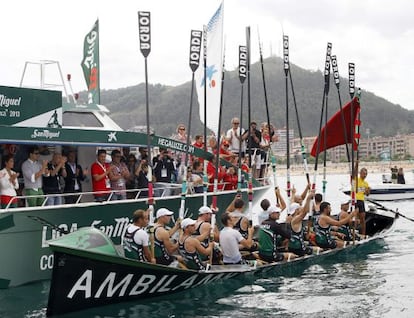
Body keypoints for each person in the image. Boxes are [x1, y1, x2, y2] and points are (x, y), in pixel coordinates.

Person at [288, 191, 315, 256]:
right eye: (300, 208)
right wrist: (308, 198)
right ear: (296, 210)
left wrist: (293, 193)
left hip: (292, 245)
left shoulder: (290, 217)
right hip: (298, 248)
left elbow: (292, 202)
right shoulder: (296, 219)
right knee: (319, 249)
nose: (301, 209)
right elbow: (304, 212)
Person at [355, 167, 370, 237]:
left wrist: (368, 191)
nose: (365, 175)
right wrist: (356, 164)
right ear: (360, 173)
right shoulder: (356, 180)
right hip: (355, 200)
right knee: (356, 219)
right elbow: (354, 172)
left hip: (361, 201)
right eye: (364, 174)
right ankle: (354, 233)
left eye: (366, 174)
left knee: (363, 219)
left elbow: (367, 194)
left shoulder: (366, 183)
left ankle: (363, 234)